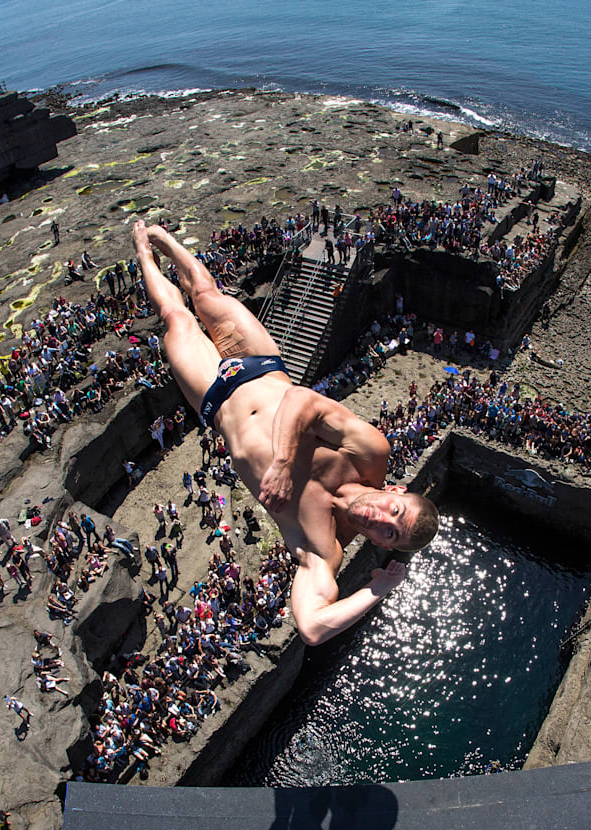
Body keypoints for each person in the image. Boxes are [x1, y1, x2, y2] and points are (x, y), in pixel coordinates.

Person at [134, 220, 438, 645]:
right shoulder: (370, 454)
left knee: (177, 318)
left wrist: (377, 589)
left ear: (380, 543)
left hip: (216, 396)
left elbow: (312, 628)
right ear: (398, 491)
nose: (382, 520)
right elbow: (302, 402)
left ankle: (144, 254)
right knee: (206, 296)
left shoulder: (323, 548)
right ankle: (165, 240)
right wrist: (281, 463)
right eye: (396, 513)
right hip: (261, 365)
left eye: (390, 534)